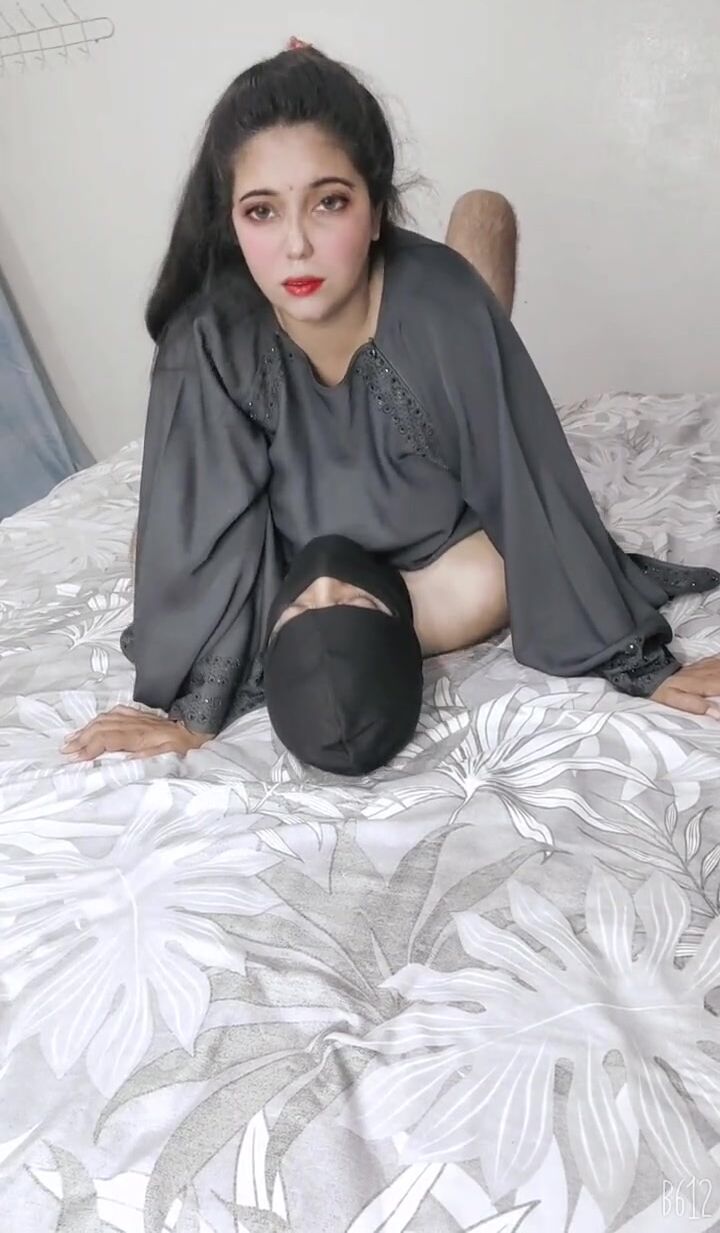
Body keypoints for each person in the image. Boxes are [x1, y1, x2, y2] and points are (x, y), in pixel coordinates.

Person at [64, 40, 720, 771]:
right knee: (151, 546)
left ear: (377, 210)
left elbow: (529, 485)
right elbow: (199, 543)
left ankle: (476, 285)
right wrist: (192, 715)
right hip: (295, 543)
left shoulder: (439, 304)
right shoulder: (208, 336)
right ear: (231, 222)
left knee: (479, 230)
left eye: (330, 202)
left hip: (434, 527)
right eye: (261, 211)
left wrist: (643, 667)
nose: (297, 246)